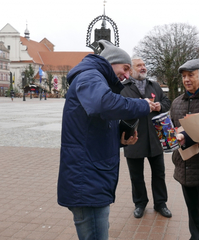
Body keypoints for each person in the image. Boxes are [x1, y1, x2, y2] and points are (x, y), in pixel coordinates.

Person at [57, 40, 156, 240]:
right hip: (87, 181)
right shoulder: (91, 76)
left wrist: (120, 138)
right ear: (110, 62)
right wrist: (142, 105)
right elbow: (102, 105)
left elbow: (92, 125)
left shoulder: (96, 79)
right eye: (125, 68)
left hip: (92, 178)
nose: (127, 75)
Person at [170, 59, 199, 240]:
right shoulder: (176, 103)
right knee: (192, 212)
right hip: (185, 166)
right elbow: (174, 129)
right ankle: (195, 237)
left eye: (191, 75)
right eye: (183, 76)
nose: (186, 80)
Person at [120, 56, 172, 218]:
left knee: (159, 173)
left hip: (155, 137)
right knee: (136, 175)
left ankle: (160, 203)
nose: (143, 68)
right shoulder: (122, 88)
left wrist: (159, 106)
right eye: (139, 65)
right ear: (131, 70)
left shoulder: (154, 85)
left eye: (144, 65)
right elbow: (119, 108)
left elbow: (166, 102)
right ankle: (140, 203)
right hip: (133, 137)